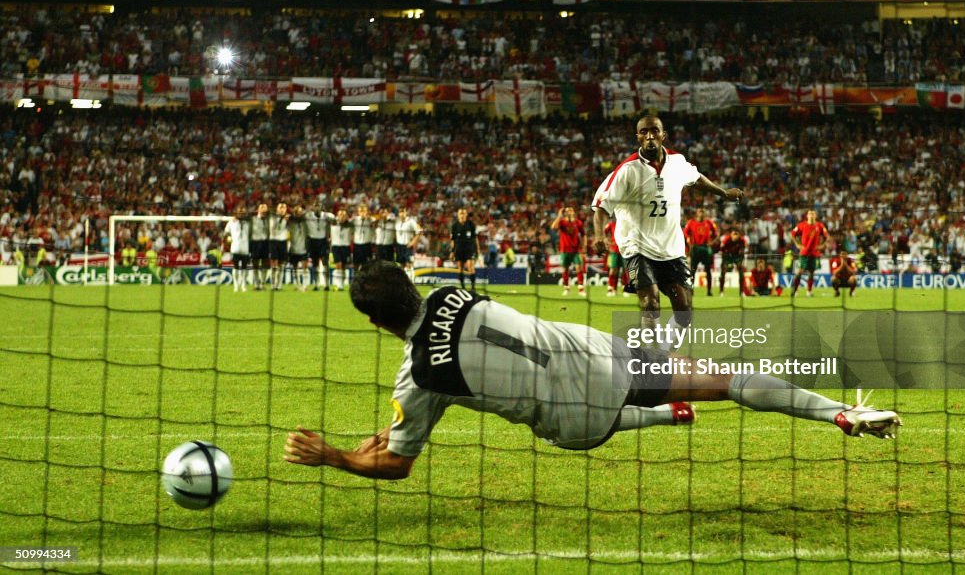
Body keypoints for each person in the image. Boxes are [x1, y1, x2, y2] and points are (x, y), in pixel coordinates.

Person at [282, 262, 902, 480]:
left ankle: (661, 417)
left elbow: (397, 463)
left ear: (375, 323)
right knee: (724, 380)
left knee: (592, 428)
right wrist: (393, 429)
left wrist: (336, 455)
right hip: (595, 353)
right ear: (412, 285)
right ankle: (841, 413)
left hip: (576, 418)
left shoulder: (418, 380)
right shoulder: (451, 291)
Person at [592, 115, 743, 329]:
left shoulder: (678, 162)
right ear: (638, 137)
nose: (650, 135)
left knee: (685, 313)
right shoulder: (627, 170)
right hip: (638, 248)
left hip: (671, 250)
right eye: (644, 132)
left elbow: (697, 178)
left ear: (664, 135)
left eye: (654, 130)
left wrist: (723, 193)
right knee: (650, 304)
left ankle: (664, 350)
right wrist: (599, 236)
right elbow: (600, 208)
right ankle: (651, 358)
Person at [790, 210, 829, 297]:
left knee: (811, 273)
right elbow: (792, 234)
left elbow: (827, 236)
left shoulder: (820, 225)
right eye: (810, 214)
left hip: (814, 253)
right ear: (807, 216)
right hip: (804, 253)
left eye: (813, 214)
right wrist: (797, 244)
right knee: (800, 272)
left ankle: (809, 291)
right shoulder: (802, 225)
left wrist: (822, 245)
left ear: (815, 216)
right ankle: (795, 291)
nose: (811, 215)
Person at [551, 206, 587, 296]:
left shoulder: (578, 222)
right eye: (567, 210)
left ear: (574, 212)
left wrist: (584, 246)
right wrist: (559, 216)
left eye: (571, 210)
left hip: (576, 250)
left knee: (579, 268)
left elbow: (583, 235)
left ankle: (581, 289)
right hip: (564, 250)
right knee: (565, 269)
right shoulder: (562, 222)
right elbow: (553, 227)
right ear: (565, 213)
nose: (570, 212)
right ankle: (566, 288)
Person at [683, 208, 719, 297]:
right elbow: (685, 233)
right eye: (700, 211)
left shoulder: (709, 222)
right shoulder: (691, 222)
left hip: (705, 248)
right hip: (695, 248)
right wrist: (688, 241)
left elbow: (716, 233)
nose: (702, 213)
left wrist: (712, 242)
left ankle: (709, 291)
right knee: (692, 271)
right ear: (697, 213)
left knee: (708, 270)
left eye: (703, 211)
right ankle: (691, 290)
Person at [304, 202, 335, 291]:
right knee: (315, 264)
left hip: (323, 241)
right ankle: (316, 284)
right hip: (312, 241)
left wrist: (331, 219)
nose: (317, 208)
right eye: (315, 206)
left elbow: (334, 218)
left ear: (321, 208)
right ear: (312, 208)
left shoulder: (326, 215)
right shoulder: (308, 215)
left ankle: (326, 284)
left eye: (319, 207)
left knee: (325, 262)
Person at [224, 205, 251, 292]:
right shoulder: (231, 221)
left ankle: (243, 285)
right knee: (235, 267)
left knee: (244, 267)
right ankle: (236, 285)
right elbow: (226, 232)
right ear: (236, 212)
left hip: (245, 248)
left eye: (242, 211)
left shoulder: (248, 222)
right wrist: (229, 239)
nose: (241, 213)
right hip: (235, 247)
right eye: (239, 211)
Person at [450, 208, 478, 291]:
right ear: (458, 215)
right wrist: (452, 251)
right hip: (459, 249)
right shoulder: (455, 226)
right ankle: (463, 287)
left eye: (464, 213)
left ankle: (473, 287)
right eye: (460, 214)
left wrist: (477, 250)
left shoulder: (471, 224)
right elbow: (453, 240)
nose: (462, 215)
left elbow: (475, 238)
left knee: (470, 267)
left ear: (466, 215)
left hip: (469, 249)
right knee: (460, 268)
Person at [718, 228, 750, 297]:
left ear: (739, 235)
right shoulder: (726, 239)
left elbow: (747, 248)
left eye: (736, 234)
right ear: (731, 234)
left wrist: (743, 251)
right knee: (723, 271)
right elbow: (721, 249)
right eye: (733, 234)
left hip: (737, 256)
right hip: (727, 256)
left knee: (741, 271)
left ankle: (741, 292)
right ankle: (721, 292)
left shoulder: (742, 240)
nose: (735, 236)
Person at [604, 219, 630, 297]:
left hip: (625, 251)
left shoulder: (627, 223)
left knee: (626, 270)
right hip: (614, 251)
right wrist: (607, 242)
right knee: (613, 270)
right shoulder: (611, 224)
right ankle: (612, 289)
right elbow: (604, 232)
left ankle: (625, 289)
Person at [395, 208, 423, 280]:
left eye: (403, 212)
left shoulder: (411, 221)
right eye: (400, 212)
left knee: (409, 264)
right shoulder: (397, 221)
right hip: (399, 246)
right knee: (401, 265)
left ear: (406, 212)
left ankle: (411, 281)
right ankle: (402, 281)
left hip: (407, 245)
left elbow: (420, 231)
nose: (401, 214)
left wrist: (413, 242)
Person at [269, 202, 291, 291]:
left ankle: (279, 284)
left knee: (281, 264)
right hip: (273, 241)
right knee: (274, 263)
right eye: (280, 207)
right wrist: (281, 218)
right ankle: (273, 285)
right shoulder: (272, 217)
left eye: (284, 207)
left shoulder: (289, 218)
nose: (282, 209)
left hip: (283, 241)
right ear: (277, 209)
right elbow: (272, 227)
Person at [330, 208, 353, 291]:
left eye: (344, 215)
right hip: (336, 246)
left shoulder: (350, 224)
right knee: (338, 265)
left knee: (343, 267)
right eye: (340, 215)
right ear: (337, 216)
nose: (342, 216)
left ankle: (341, 284)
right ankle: (338, 285)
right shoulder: (333, 222)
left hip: (345, 247)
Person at [288, 204, 309, 292]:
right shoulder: (291, 222)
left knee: (305, 267)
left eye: (301, 212)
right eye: (299, 212)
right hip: (294, 248)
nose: (301, 213)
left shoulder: (305, 222)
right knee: (295, 268)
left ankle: (305, 285)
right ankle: (297, 284)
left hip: (303, 247)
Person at [250, 203, 271, 291]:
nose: (263, 212)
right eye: (262, 210)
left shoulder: (268, 220)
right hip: (255, 242)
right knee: (255, 264)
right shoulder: (253, 219)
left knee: (265, 264)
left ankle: (263, 283)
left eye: (265, 211)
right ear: (258, 210)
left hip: (265, 243)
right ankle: (256, 284)